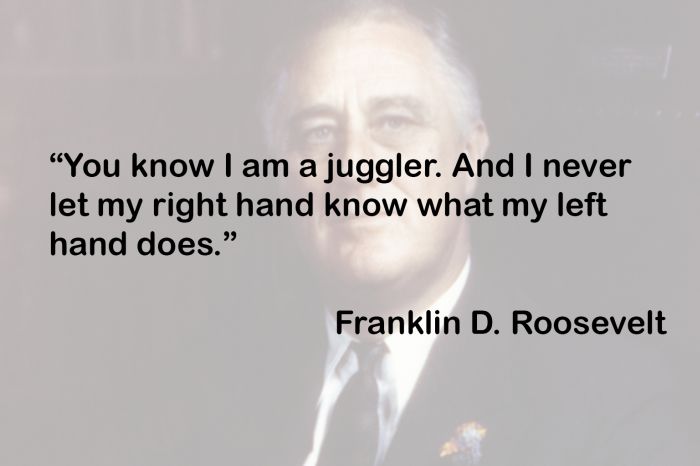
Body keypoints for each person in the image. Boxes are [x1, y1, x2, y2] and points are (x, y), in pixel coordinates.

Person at [237, 2, 692, 465]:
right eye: (317, 133)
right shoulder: (218, 383)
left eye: (394, 122)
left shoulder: (609, 405)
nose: (353, 165)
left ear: (470, 156)